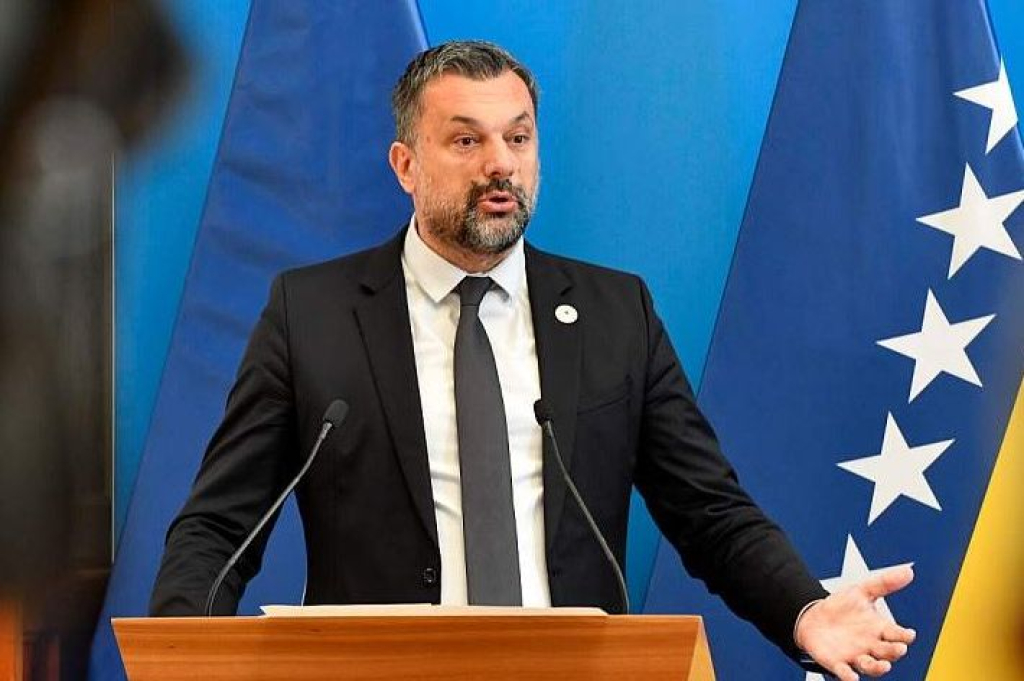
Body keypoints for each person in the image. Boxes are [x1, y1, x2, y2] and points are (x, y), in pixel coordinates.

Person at [151, 40, 915, 680]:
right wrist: (180, 655)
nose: (500, 165)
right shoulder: (313, 315)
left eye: (518, 139)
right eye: (466, 141)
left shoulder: (615, 313)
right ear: (405, 165)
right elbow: (220, 526)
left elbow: (709, 511)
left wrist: (803, 609)